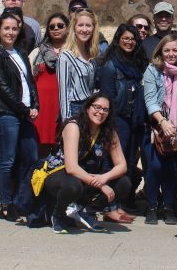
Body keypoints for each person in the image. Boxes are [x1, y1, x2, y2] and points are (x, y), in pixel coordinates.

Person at [40, 94, 132, 234]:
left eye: (105, 110)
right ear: (88, 108)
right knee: (73, 186)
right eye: (97, 107)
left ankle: (86, 211)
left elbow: (122, 166)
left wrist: (104, 178)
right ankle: (58, 214)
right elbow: (71, 167)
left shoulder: (109, 131)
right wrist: (101, 184)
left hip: (86, 175)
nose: (101, 112)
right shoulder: (73, 126)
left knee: (123, 183)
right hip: (59, 173)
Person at [0, 12, 40, 223]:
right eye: (6, 28)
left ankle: (21, 200)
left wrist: (35, 104)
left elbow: (30, 83)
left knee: (31, 157)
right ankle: (6, 205)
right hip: (8, 113)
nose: (10, 32)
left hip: (25, 113)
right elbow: (2, 87)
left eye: (14, 29)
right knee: (8, 160)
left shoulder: (20, 53)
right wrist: (23, 108)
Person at [96, 23, 148, 222]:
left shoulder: (136, 64)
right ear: (118, 40)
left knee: (126, 162)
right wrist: (109, 124)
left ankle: (119, 204)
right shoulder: (110, 65)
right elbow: (107, 97)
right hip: (118, 119)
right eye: (125, 38)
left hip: (133, 119)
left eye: (133, 39)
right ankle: (110, 206)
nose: (129, 42)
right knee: (113, 164)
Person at [141, 33, 177, 225]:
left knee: (173, 168)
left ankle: (169, 206)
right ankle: (152, 206)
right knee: (154, 167)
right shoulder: (152, 71)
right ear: (160, 51)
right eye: (166, 50)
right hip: (156, 125)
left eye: (174, 50)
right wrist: (163, 121)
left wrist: (176, 125)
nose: (170, 54)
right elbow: (150, 99)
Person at [29, 13, 68, 152]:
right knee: (40, 148)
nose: (56, 28)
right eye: (52, 27)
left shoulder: (74, 52)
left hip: (63, 106)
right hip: (42, 107)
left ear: (68, 28)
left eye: (60, 25)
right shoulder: (37, 52)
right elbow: (28, 79)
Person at [57, 8, 99, 120]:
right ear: (74, 28)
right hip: (74, 108)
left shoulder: (92, 57)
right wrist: (66, 120)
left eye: (88, 25)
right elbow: (63, 93)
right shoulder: (66, 56)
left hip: (89, 109)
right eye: (80, 25)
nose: (84, 29)